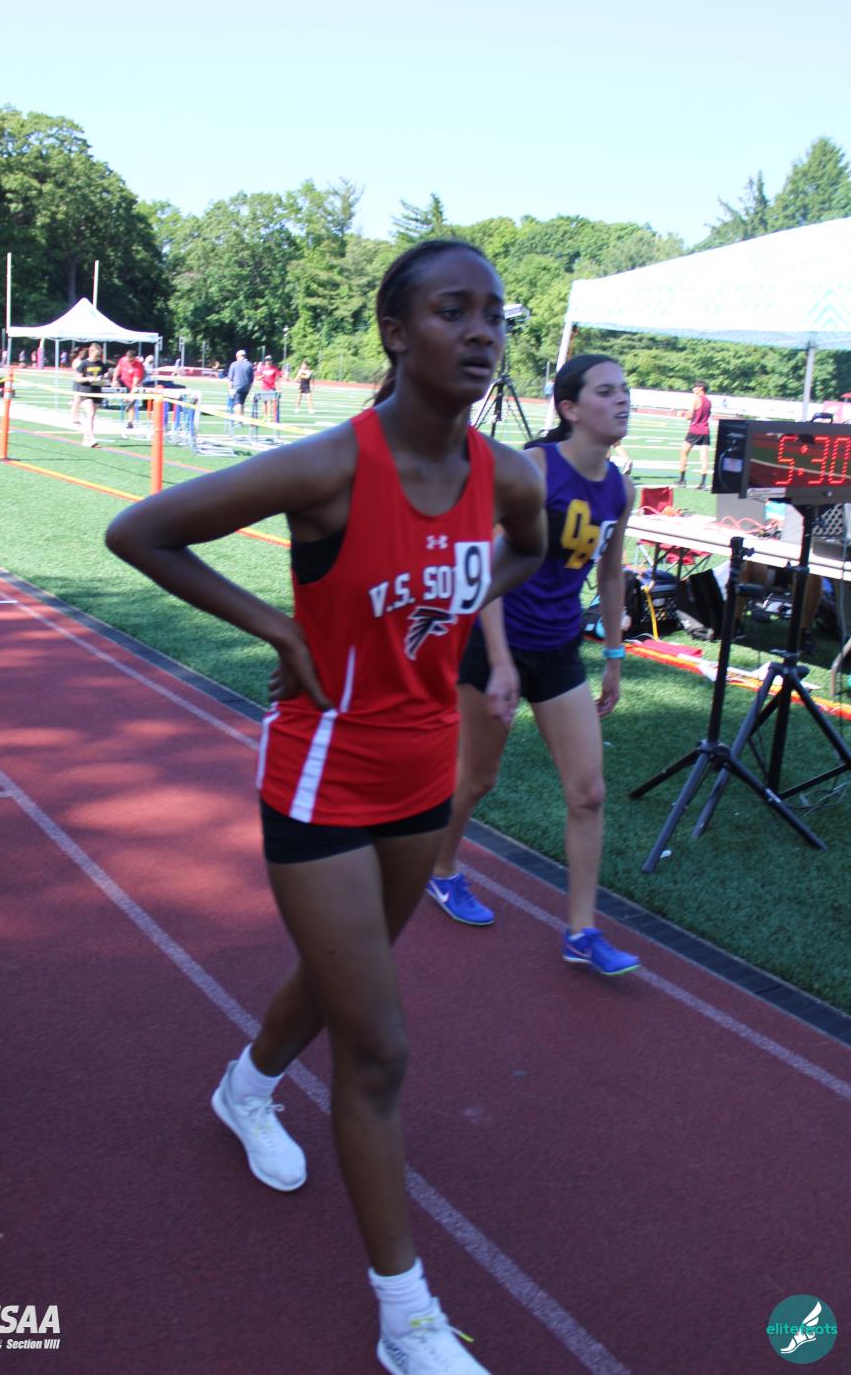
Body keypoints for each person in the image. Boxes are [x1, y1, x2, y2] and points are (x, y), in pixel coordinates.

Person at [106, 240, 546, 1373]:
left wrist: (456, 608)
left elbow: (529, 552)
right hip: (322, 773)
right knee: (379, 1045)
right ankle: (408, 1321)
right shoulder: (332, 467)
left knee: (345, 975)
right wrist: (277, 627)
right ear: (396, 332)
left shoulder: (508, 478)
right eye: (453, 311)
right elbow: (139, 532)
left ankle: (245, 1086)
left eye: (495, 314)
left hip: (424, 773)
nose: (481, 331)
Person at [427, 355, 640, 976]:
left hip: (559, 650)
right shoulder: (535, 468)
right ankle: (441, 868)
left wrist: (614, 657)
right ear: (570, 408)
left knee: (589, 793)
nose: (622, 401)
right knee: (477, 779)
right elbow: (485, 561)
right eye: (607, 391)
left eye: (625, 391)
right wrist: (498, 661)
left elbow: (610, 574)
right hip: (495, 642)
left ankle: (582, 932)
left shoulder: (620, 488)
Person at [72, 341, 110, 447]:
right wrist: (89, 378)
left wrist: (104, 380)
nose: (98, 355)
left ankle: (86, 439)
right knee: (90, 414)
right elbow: (77, 378)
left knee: (91, 417)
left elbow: (106, 378)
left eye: (99, 354)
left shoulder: (101, 364)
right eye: (97, 353)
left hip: (97, 391)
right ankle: (92, 438)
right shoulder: (84, 363)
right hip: (85, 391)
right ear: (91, 352)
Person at [678, 381, 712, 489]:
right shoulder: (709, 401)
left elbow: (689, 416)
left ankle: (682, 480)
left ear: (700, 388)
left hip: (694, 430)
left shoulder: (696, 399)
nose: (693, 389)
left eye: (695, 387)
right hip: (705, 430)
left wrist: (682, 414)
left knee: (684, 453)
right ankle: (703, 483)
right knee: (704, 458)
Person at [114, 347, 145, 431]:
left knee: (131, 404)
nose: (129, 362)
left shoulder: (138, 366)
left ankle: (130, 422)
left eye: (131, 361)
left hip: (133, 385)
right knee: (115, 383)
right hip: (123, 382)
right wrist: (114, 379)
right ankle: (125, 398)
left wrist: (131, 394)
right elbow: (117, 369)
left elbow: (135, 382)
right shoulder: (122, 360)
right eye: (128, 360)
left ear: (134, 358)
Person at [226, 348, 254, 418]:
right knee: (242, 402)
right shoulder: (249, 365)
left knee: (237, 403)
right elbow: (251, 379)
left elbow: (230, 379)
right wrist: (249, 389)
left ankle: (238, 419)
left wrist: (230, 389)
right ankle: (241, 418)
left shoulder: (234, 364)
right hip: (246, 387)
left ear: (238, 356)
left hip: (237, 387)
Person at [258, 354, 282, 422]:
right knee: (264, 402)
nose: (267, 361)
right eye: (266, 360)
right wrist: (261, 377)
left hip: (272, 387)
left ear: (271, 361)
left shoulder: (274, 368)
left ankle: (269, 416)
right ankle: (265, 416)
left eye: (269, 360)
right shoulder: (262, 368)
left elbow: (277, 379)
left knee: (270, 402)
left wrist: (279, 388)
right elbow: (257, 377)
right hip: (264, 387)